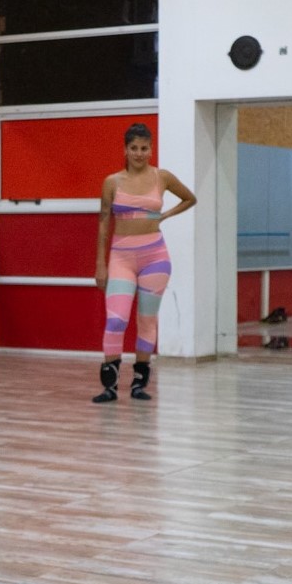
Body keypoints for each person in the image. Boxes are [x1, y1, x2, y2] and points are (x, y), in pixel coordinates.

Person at [92, 122, 196, 403]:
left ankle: (139, 383)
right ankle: (110, 386)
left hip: (155, 258)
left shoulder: (162, 177)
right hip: (121, 258)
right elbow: (103, 223)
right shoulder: (112, 182)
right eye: (134, 148)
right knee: (116, 320)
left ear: (151, 150)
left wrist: (166, 215)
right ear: (125, 150)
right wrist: (100, 264)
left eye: (144, 148)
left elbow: (190, 198)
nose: (139, 153)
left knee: (147, 320)